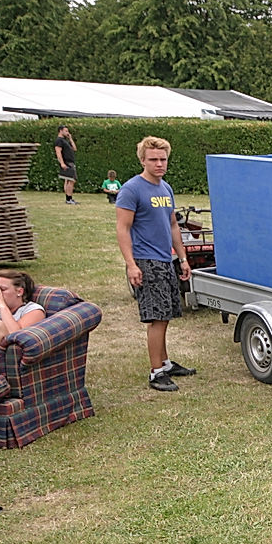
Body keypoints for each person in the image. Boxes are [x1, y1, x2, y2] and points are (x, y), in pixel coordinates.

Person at [116, 136, 195, 392]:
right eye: (153, 160)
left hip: (165, 259)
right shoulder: (131, 189)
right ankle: (156, 372)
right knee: (156, 318)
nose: (159, 164)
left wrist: (182, 258)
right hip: (146, 260)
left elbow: (173, 224)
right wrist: (131, 264)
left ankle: (165, 363)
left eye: (163, 159)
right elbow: (123, 228)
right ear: (142, 160)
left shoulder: (166, 188)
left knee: (166, 315)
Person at [0, 270, 46, 374]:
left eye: (2, 290)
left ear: (19, 292)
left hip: (0, 363)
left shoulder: (33, 310)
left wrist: (2, 306)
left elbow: (16, 335)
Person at [54, 125, 78, 205]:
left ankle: (69, 198)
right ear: (60, 131)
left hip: (70, 162)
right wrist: (62, 163)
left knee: (68, 180)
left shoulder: (65, 140)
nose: (67, 133)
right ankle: (68, 199)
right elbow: (58, 152)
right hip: (66, 162)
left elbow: (74, 148)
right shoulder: (59, 141)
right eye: (66, 131)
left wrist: (70, 138)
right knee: (72, 180)